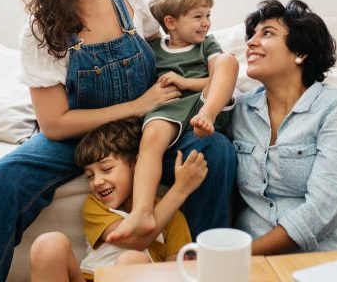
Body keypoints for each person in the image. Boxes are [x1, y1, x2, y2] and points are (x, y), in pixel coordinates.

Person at [0, 0, 236, 282]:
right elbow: (54, 124)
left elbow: (163, 52)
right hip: (80, 136)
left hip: (148, 126)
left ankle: (208, 273)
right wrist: (135, 105)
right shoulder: (42, 31)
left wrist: (193, 85)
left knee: (215, 151)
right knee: (0, 180)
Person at [108, 0, 238, 242]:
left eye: (208, 15)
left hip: (203, 103)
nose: (206, 23)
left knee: (228, 61)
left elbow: (218, 78)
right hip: (169, 107)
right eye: (198, 16)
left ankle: (209, 116)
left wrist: (185, 82)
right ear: (170, 22)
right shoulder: (154, 50)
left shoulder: (207, 45)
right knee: (152, 137)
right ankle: (142, 212)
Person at [231, 0, 337, 255]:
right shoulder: (239, 110)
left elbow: (325, 208)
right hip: (252, 261)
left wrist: (238, 255)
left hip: (324, 257)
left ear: (300, 52)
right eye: (252, 35)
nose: (251, 43)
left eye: (267, 33)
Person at [30, 118, 207, 282]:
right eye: (90, 176)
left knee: (132, 259)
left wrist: (181, 190)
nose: (97, 182)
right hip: (91, 277)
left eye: (106, 169)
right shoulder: (96, 206)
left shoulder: (173, 218)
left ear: (137, 164)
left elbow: (177, 272)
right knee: (49, 244)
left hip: (139, 276)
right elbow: (134, 240)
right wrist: (180, 190)